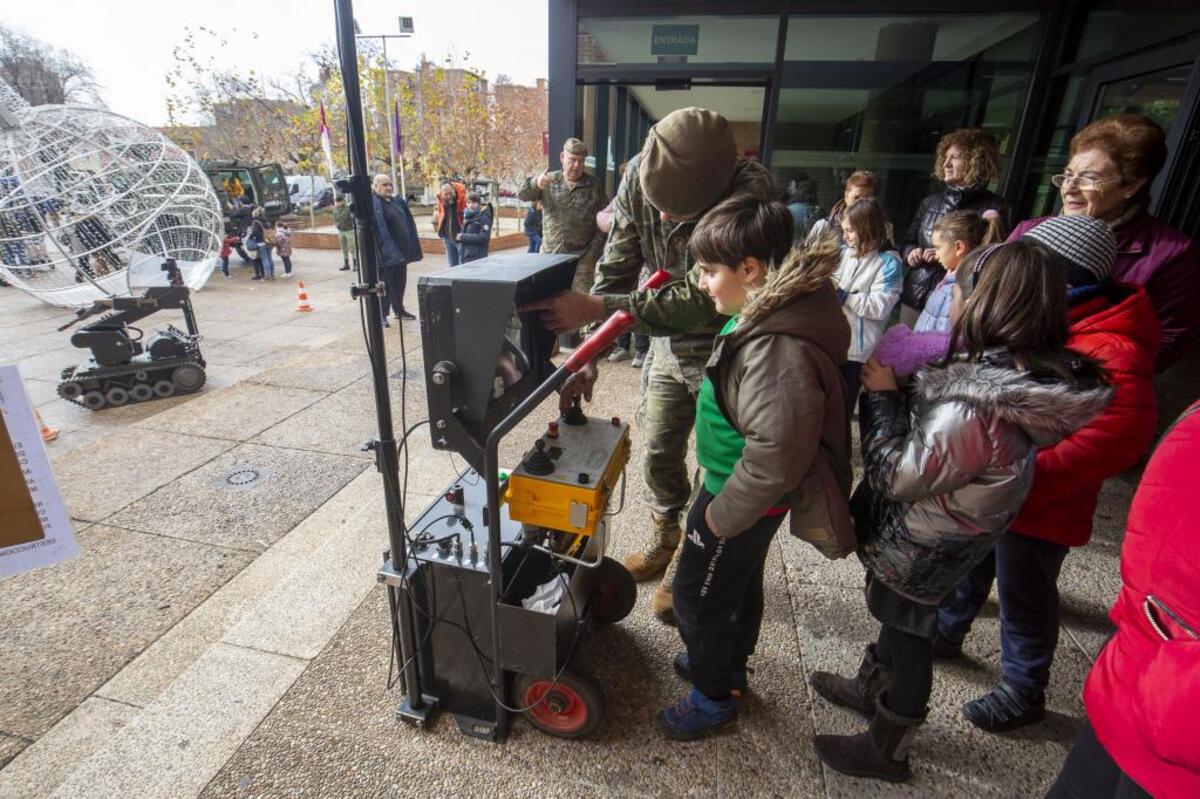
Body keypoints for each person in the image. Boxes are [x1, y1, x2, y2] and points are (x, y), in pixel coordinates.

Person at [809, 239, 1112, 783]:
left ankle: (888, 747)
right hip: (953, 527)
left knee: (909, 633)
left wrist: (881, 397)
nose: (950, 299)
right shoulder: (1011, 376)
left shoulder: (974, 404)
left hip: (931, 535)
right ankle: (869, 687)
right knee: (897, 618)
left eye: (960, 290)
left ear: (985, 303)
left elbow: (900, 474)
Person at [521, 107, 776, 623]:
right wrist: (588, 349)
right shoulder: (642, 172)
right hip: (665, 343)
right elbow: (618, 260)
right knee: (657, 445)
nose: (662, 220)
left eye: (676, 214)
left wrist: (598, 310)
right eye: (657, 206)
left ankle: (692, 556)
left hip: (727, 345)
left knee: (716, 459)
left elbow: (706, 298)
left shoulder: (751, 194)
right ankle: (666, 536)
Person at [934, 214, 1160, 732]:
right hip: (1001, 492)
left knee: (1024, 595)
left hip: (1042, 506)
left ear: (1056, 280)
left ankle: (1023, 688)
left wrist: (1021, 479)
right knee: (972, 567)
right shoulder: (1051, 322)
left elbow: (1115, 435)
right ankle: (948, 631)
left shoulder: (1109, 344)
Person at [655, 194, 852, 740]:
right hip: (736, 492)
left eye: (709, 270)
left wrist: (720, 516)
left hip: (736, 498)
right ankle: (727, 668)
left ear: (751, 269)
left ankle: (712, 698)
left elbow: (776, 455)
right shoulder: (761, 312)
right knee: (737, 588)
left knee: (696, 599)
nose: (700, 282)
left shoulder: (776, 347)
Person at [1046, 402, 1200, 799]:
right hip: (1126, 685)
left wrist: (1036, 474)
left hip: (1180, 739)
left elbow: (1118, 428)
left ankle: (1021, 690)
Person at [1009, 114, 1200, 372]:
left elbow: (1169, 339)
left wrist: (1090, 375)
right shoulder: (1028, 230)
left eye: (1088, 178)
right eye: (1067, 175)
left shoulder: (1172, 254)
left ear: (1131, 185)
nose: (1069, 188)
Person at [872, 209, 1005, 377]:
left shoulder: (962, 289)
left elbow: (946, 341)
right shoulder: (950, 277)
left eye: (938, 247)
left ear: (958, 247)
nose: (935, 253)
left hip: (934, 376)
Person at [900, 128, 1009, 327]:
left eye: (955, 157)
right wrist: (911, 253)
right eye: (945, 157)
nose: (946, 164)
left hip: (958, 300)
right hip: (916, 293)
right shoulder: (929, 203)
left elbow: (995, 261)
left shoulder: (996, 207)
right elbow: (908, 241)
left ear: (976, 160)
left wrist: (953, 257)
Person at [831, 197, 902, 414]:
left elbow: (880, 307)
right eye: (844, 230)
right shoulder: (844, 253)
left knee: (842, 409)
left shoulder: (889, 262)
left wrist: (845, 296)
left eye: (850, 231)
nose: (845, 236)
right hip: (834, 340)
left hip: (857, 351)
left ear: (867, 229)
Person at [517, 137, 608, 294]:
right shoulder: (548, 181)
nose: (577, 165)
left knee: (582, 308)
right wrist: (535, 183)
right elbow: (522, 195)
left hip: (582, 263)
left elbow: (605, 220)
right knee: (548, 301)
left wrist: (593, 253)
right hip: (550, 258)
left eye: (581, 161)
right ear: (562, 157)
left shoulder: (594, 186)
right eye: (572, 160)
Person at [372, 173, 422, 324]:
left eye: (389, 184)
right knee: (385, 286)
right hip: (387, 254)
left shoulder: (395, 201)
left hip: (402, 254)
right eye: (384, 185)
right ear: (375, 187)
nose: (388, 187)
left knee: (399, 285)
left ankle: (399, 310)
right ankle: (382, 314)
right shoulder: (374, 204)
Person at [808, 171, 880, 247]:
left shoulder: (882, 228)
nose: (860, 204)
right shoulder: (824, 226)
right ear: (846, 196)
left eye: (866, 199)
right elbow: (808, 256)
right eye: (856, 198)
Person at [433, 180, 467, 266]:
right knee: (452, 266)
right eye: (446, 194)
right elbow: (441, 213)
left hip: (460, 237)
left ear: (454, 189)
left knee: (463, 265)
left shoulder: (463, 197)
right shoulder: (441, 199)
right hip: (447, 237)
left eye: (450, 193)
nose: (449, 196)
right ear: (442, 193)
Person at [459, 192, 492, 263]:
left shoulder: (484, 217)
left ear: (478, 203)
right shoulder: (466, 216)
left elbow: (484, 237)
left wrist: (463, 237)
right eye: (468, 202)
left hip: (477, 257)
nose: (471, 205)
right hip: (466, 255)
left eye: (474, 203)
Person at [245, 207, 273, 281]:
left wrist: (250, 237)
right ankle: (271, 274)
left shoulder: (256, 222)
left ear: (255, 214)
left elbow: (255, 232)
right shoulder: (266, 221)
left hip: (261, 242)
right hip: (269, 242)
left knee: (264, 259)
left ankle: (267, 276)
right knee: (269, 258)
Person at [333, 196, 356, 271]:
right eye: (337, 201)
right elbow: (334, 218)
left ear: (343, 201)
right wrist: (337, 225)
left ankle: (355, 264)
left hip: (349, 230)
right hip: (341, 231)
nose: (338, 203)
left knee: (352, 247)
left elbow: (351, 218)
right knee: (344, 248)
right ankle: (346, 264)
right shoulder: (335, 209)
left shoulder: (348, 208)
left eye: (340, 201)